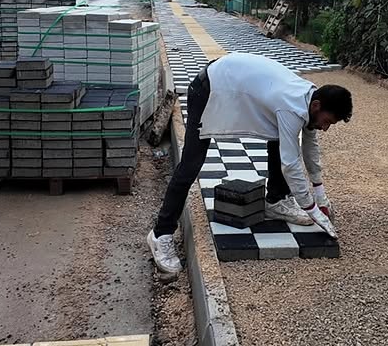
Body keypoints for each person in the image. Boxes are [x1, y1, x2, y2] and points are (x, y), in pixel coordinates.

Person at [146, 52, 353, 274]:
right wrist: (312, 209)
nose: (325, 128)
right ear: (317, 106)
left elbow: (310, 146)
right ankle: (161, 233)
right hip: (209, 89)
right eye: (327, 121)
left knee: (282, 137)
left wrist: (320, 192)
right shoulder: (291, 106)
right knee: (191, 163)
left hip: (232, 80)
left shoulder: (309, 96)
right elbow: (290, 164)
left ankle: (276, 202)